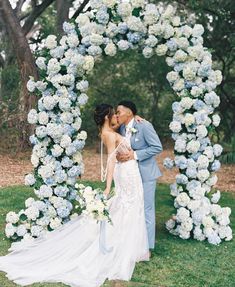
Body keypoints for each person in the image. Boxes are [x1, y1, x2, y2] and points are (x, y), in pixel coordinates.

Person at [0, 103, 149, 287]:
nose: (116, 118)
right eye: (113, 115)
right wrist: (108, 186)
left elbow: (125, 125)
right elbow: (111, 160)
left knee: (128, 207)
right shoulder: (110, 135)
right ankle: (125, 248)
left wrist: (136, 117)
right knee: (128, 207)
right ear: (106, 118)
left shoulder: (107, 132)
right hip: (126, 173)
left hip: (128, 171)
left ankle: (131, 247)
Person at [116, 100, 163, 254]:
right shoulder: (122, 128)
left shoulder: (144, 126)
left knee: (147, 208)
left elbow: (157, 147)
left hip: (146, 174)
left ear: (129, 112)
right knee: (132, 207)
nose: (117, 115)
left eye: (119, 112)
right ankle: (132, 241)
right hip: (130, 175)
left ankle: (147, 247)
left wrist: (134, 155)